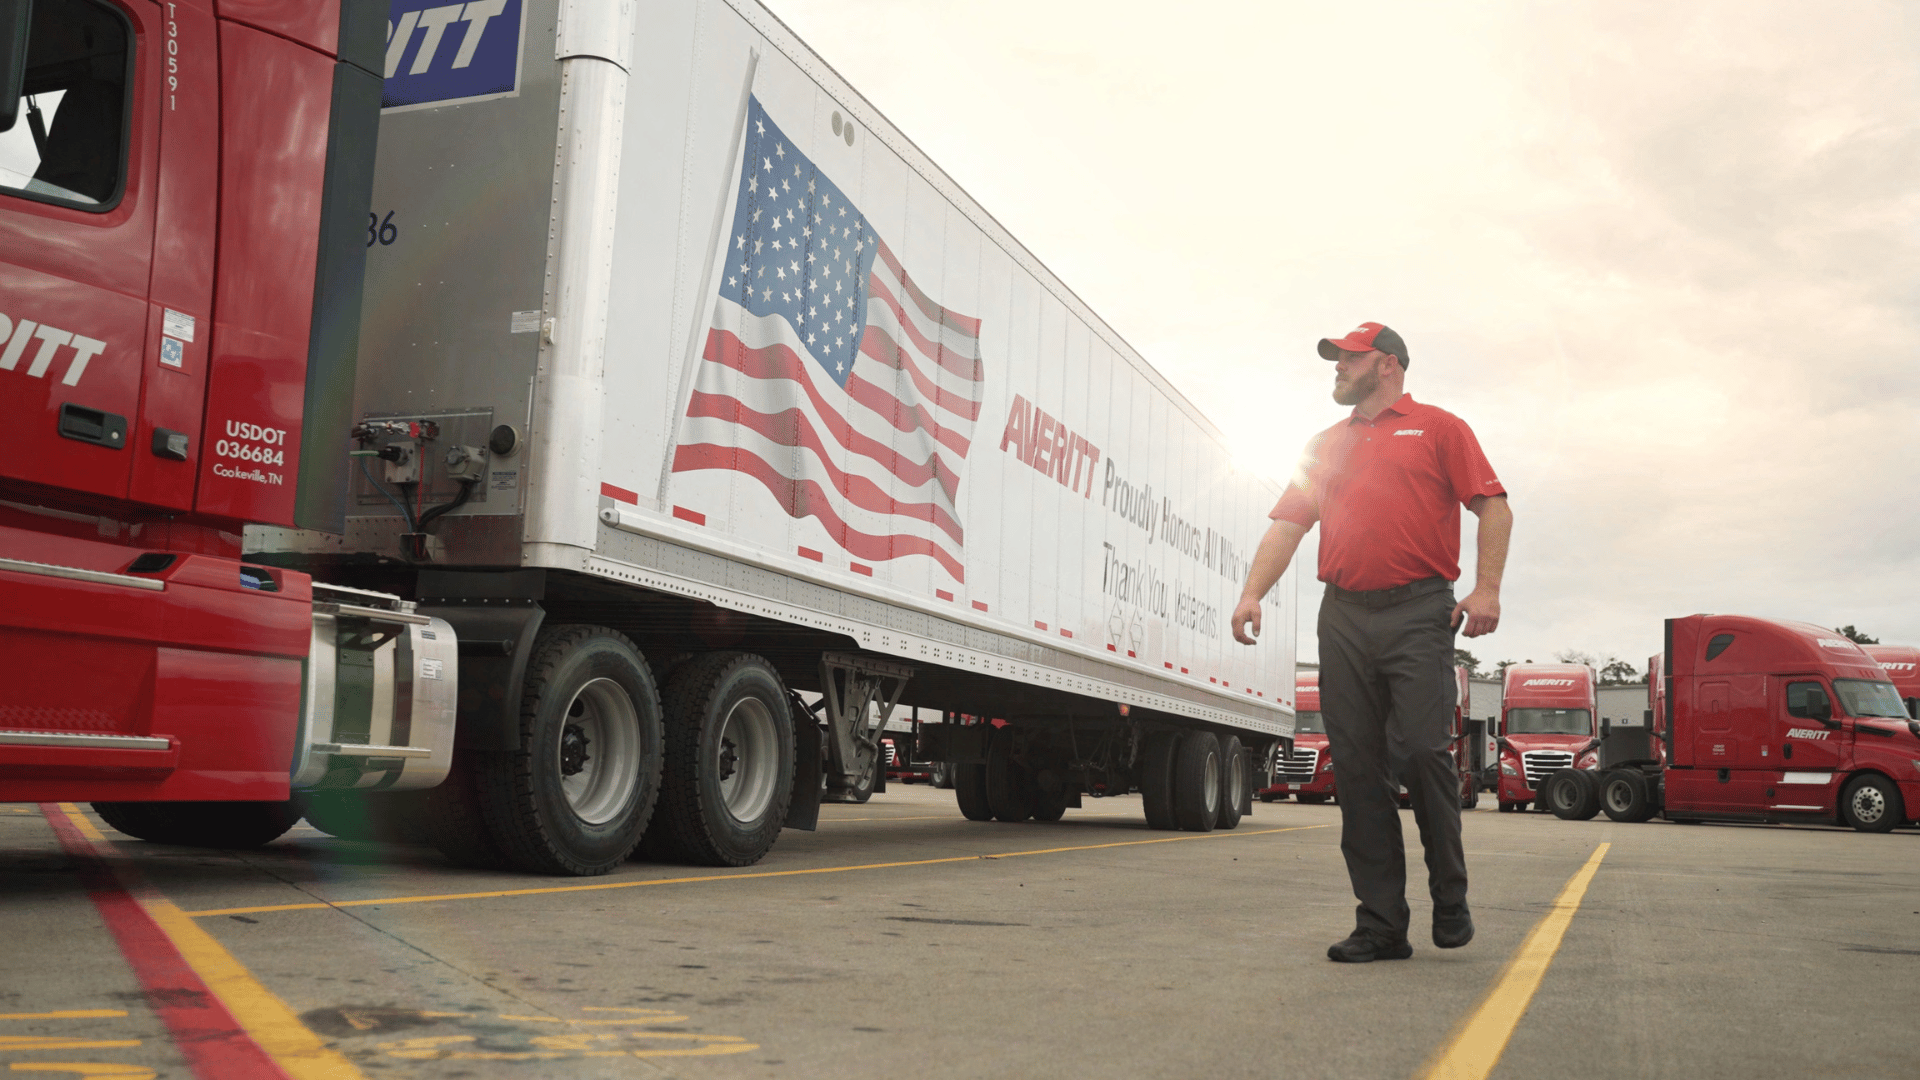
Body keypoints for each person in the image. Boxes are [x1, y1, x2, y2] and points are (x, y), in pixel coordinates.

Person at [1230, 321, 1511, 963]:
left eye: (1348, 357)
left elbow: (1493, 506)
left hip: (1419, 612)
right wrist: (1252, 593)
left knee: (1418, 751)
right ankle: (1381, 923)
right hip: (1345, 617)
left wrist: (1486, 588)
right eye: (1335, 358)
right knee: (1356, 772)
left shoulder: (1440, 428)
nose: (1337, 367)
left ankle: (1450, 892)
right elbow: (1287, 525)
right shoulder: (1325, 444)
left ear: (1386, 365)